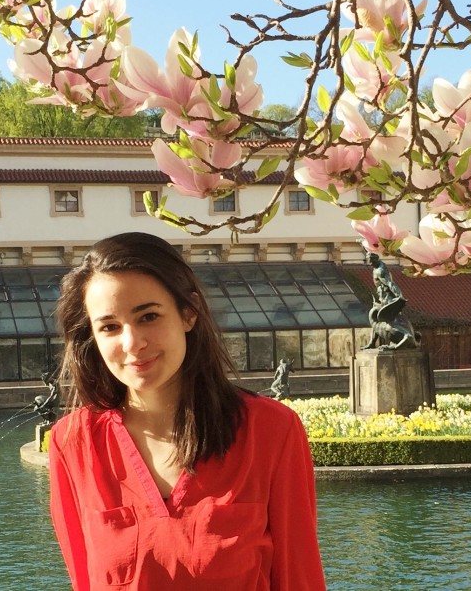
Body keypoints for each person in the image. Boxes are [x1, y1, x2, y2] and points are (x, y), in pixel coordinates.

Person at [48, 232, 326, 590]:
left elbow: (300, 578)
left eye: (148, 316)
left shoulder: (270, 431)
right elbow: (83, 580)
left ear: (188, 313)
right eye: (110, 327)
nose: (132, 343)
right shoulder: (73, 442)